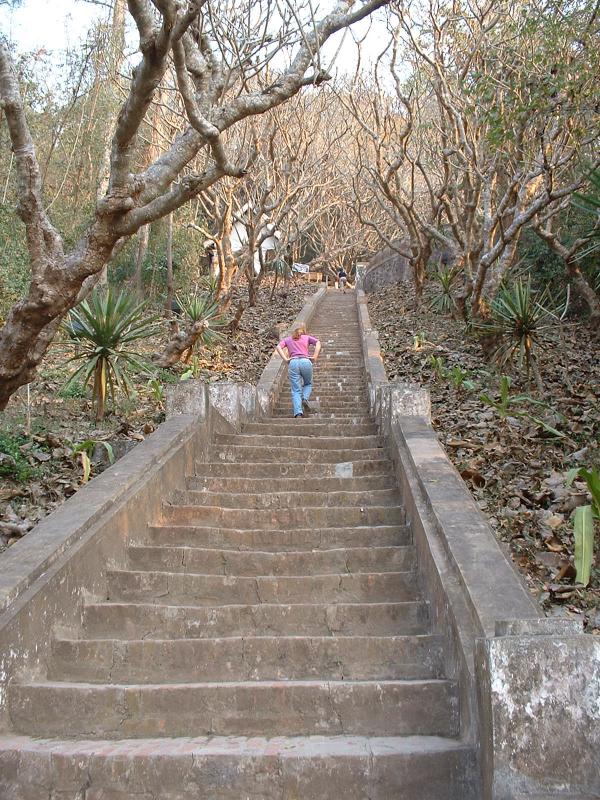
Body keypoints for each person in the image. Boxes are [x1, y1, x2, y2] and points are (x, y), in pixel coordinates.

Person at [276, 325, 322, 417]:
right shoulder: (307, 337)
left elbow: (278, 347)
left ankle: (298, 413)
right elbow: (318, 343)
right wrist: (315, 356)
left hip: (293, 362)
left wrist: (285, 359)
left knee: (296, 389)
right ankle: (304, 398)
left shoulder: (288, 339)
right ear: (303, 332)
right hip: (305, 361)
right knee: (308, 384)